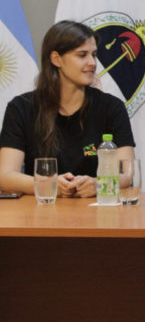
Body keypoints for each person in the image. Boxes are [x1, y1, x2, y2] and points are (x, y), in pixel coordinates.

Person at [0, 21, 135, 197]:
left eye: (94, 55)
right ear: (56, 59)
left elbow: (128, 173)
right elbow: (6, 176)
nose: (92, 63)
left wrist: (99, 184)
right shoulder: (21, 108)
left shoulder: (112, 107)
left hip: (97, 212)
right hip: (41, 213)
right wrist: (48, 184)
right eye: (82, 55)